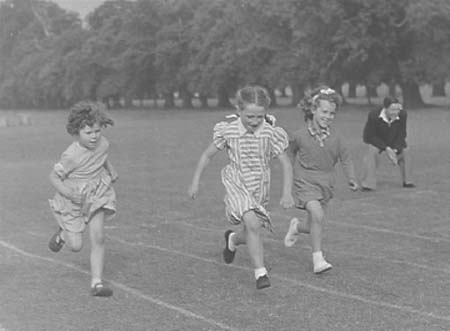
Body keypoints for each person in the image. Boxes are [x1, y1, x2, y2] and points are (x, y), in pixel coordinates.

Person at [188, 85, 294, 289]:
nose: (254, 122)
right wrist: (195, 182)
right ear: (239, 110)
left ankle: (233, 239)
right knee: (253, 224)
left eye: (259, 117)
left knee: (251, 230)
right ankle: (260, 273)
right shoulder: (228, 131)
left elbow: (286, 163)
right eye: (249, 117)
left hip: (260, 185)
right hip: (236, 182)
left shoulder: (271, 134)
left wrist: (287, 192)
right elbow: (207, 155)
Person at [284, 86, 358, 274]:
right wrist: (289, 173)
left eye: (332, 113)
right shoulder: (299, 135)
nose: (328, 116)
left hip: (326, 184)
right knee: (317, 214)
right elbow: (289, 153)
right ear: (313, 110)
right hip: (305, 181)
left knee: (314, 223)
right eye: (324, 111)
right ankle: (318, 259)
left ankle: (296, 227)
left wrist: (351, 178)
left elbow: (346, 158)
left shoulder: (337, 137)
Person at [47, 101, 118, 297]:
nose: (94, 136)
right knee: (76, 246)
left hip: (97, 195)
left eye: (97, 131)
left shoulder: (103, 143)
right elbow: (54, 177)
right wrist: (69, 193)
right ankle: (63, 233)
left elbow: (102, 156)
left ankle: (97, 283)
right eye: (89, 133)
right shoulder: (70, 155)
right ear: (77, 132)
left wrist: (110, 169)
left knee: (99, 237)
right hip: (73, 199)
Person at [361, 96, 415, 191]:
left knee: (406, 151)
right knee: (371, 152)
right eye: (392, 110)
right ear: (385, 108)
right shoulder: (373, 115)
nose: (395, 112)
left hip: (394, 141)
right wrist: (386, 148)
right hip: (378, 141)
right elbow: (368, 136)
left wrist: (395, 149)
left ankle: (408, 181)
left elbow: (402, 134)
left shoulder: (402, 115)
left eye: (397, 109)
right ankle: (368, 184)